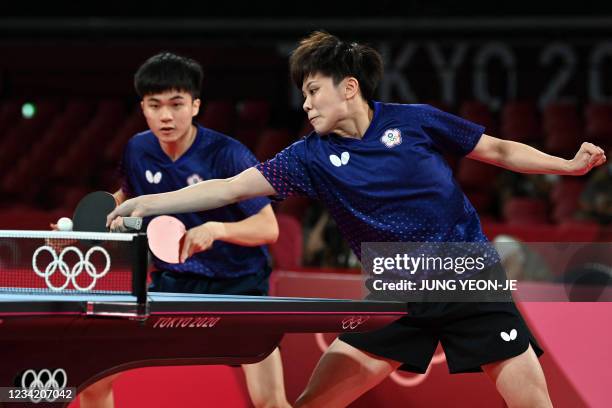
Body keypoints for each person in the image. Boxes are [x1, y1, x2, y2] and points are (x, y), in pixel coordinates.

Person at [107, 32, 606, 408]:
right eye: (301, 94)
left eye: (313, 90)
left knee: (534, 404)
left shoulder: (415, 121)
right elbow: (234, 187)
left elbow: (496, 148)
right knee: (313, 404)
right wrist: (148, 203)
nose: (304, 103)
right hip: (394, 291)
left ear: (348, 88)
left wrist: (566, 165)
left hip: (468, 277)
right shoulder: (308, 156)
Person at [80, 52, 290, 408]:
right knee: (93, 379)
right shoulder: (138, 149)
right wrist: (91, 224)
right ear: (143, 108)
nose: (165, 115)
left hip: (239, 286)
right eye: (154, 105)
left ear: (195, 106)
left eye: (176, 104)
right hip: (173, 282)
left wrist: (217, 229)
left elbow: (268, 228)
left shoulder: (228, 154)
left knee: (271, 401)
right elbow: (131, 196)